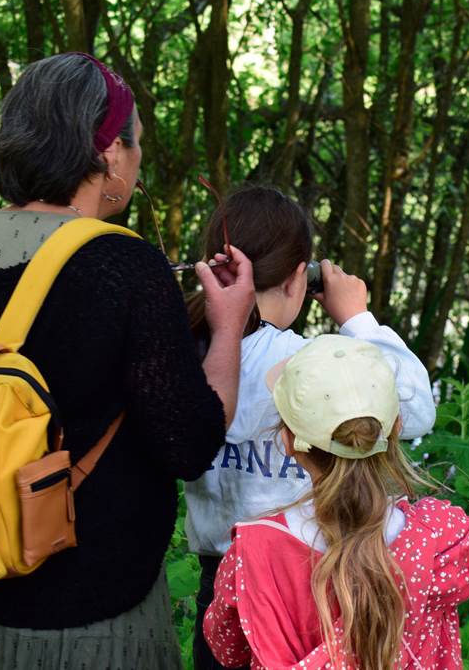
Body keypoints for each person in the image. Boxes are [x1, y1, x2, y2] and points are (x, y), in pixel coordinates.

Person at [0, 53, 254, 669]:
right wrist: (228, 326)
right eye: (137, 145)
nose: (138, 160)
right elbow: (188, 443)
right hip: (88, 628)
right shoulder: (127, 264)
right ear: (109, 154)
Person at [183, 185, 436, 669]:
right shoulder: (306, 363)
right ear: (300, 276)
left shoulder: (192, 351)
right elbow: (414, 412)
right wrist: (358, 320)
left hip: (221, 587)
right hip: (314, 585)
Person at [203, 335, 469, 669]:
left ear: (288, 441)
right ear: (396, 428)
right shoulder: (433, 540)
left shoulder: (255, 548)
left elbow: (225, 646)